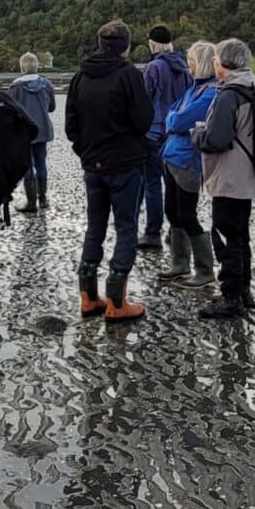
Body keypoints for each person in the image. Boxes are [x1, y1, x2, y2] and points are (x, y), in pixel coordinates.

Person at [65, 20, 154, 319]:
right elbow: (144, 121)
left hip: (93, 164)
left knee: (95, 227)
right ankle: (117, 302)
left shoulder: (80, 77)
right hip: (125, 164)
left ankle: (88, 297)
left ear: (101, 44)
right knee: (126, 228)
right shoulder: (129, 75)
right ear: (126, 46)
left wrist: (87, 153)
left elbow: (71, 126)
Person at [196, 38, 255, 318]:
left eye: (215, 59)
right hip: (247, 174)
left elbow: (217, 139)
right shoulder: (252, 88)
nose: (213, 63)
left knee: (226, 235)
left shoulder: (228, 94)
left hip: (228, 175)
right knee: (241, 236)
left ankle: (231, 297)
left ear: (223, 64)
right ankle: (243, 291)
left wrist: (197, 134)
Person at [157, 40, 219, 290]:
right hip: (172, 155)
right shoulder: (194, 89)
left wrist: (174, 120)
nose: (188, 66)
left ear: (201, 63)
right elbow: (173, 115)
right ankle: (180, 265)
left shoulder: (211, 92)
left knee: (186, 213)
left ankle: (204, 269)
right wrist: (175, 120)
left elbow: (178, 119)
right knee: (172, 211)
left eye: (191, 62)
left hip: (187, 160)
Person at [138, 25, 190, 253]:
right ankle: (176, 230)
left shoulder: (153, 68)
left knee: (152, 184)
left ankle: (152, 232)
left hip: (154, 133)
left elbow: (143, 101)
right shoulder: (186, 68)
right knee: (174, 183)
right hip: (177, 133)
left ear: (152, 44)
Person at [4, 53, 56, 214]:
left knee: (28, 166)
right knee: (42, 163)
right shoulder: (46, 84)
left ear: (22, 67)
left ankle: (31, 202)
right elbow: (52, 107)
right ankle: (43, 199)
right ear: (36, 66)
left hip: (24, 131)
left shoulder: (15, 87)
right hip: (42, 129)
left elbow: (10, 112)